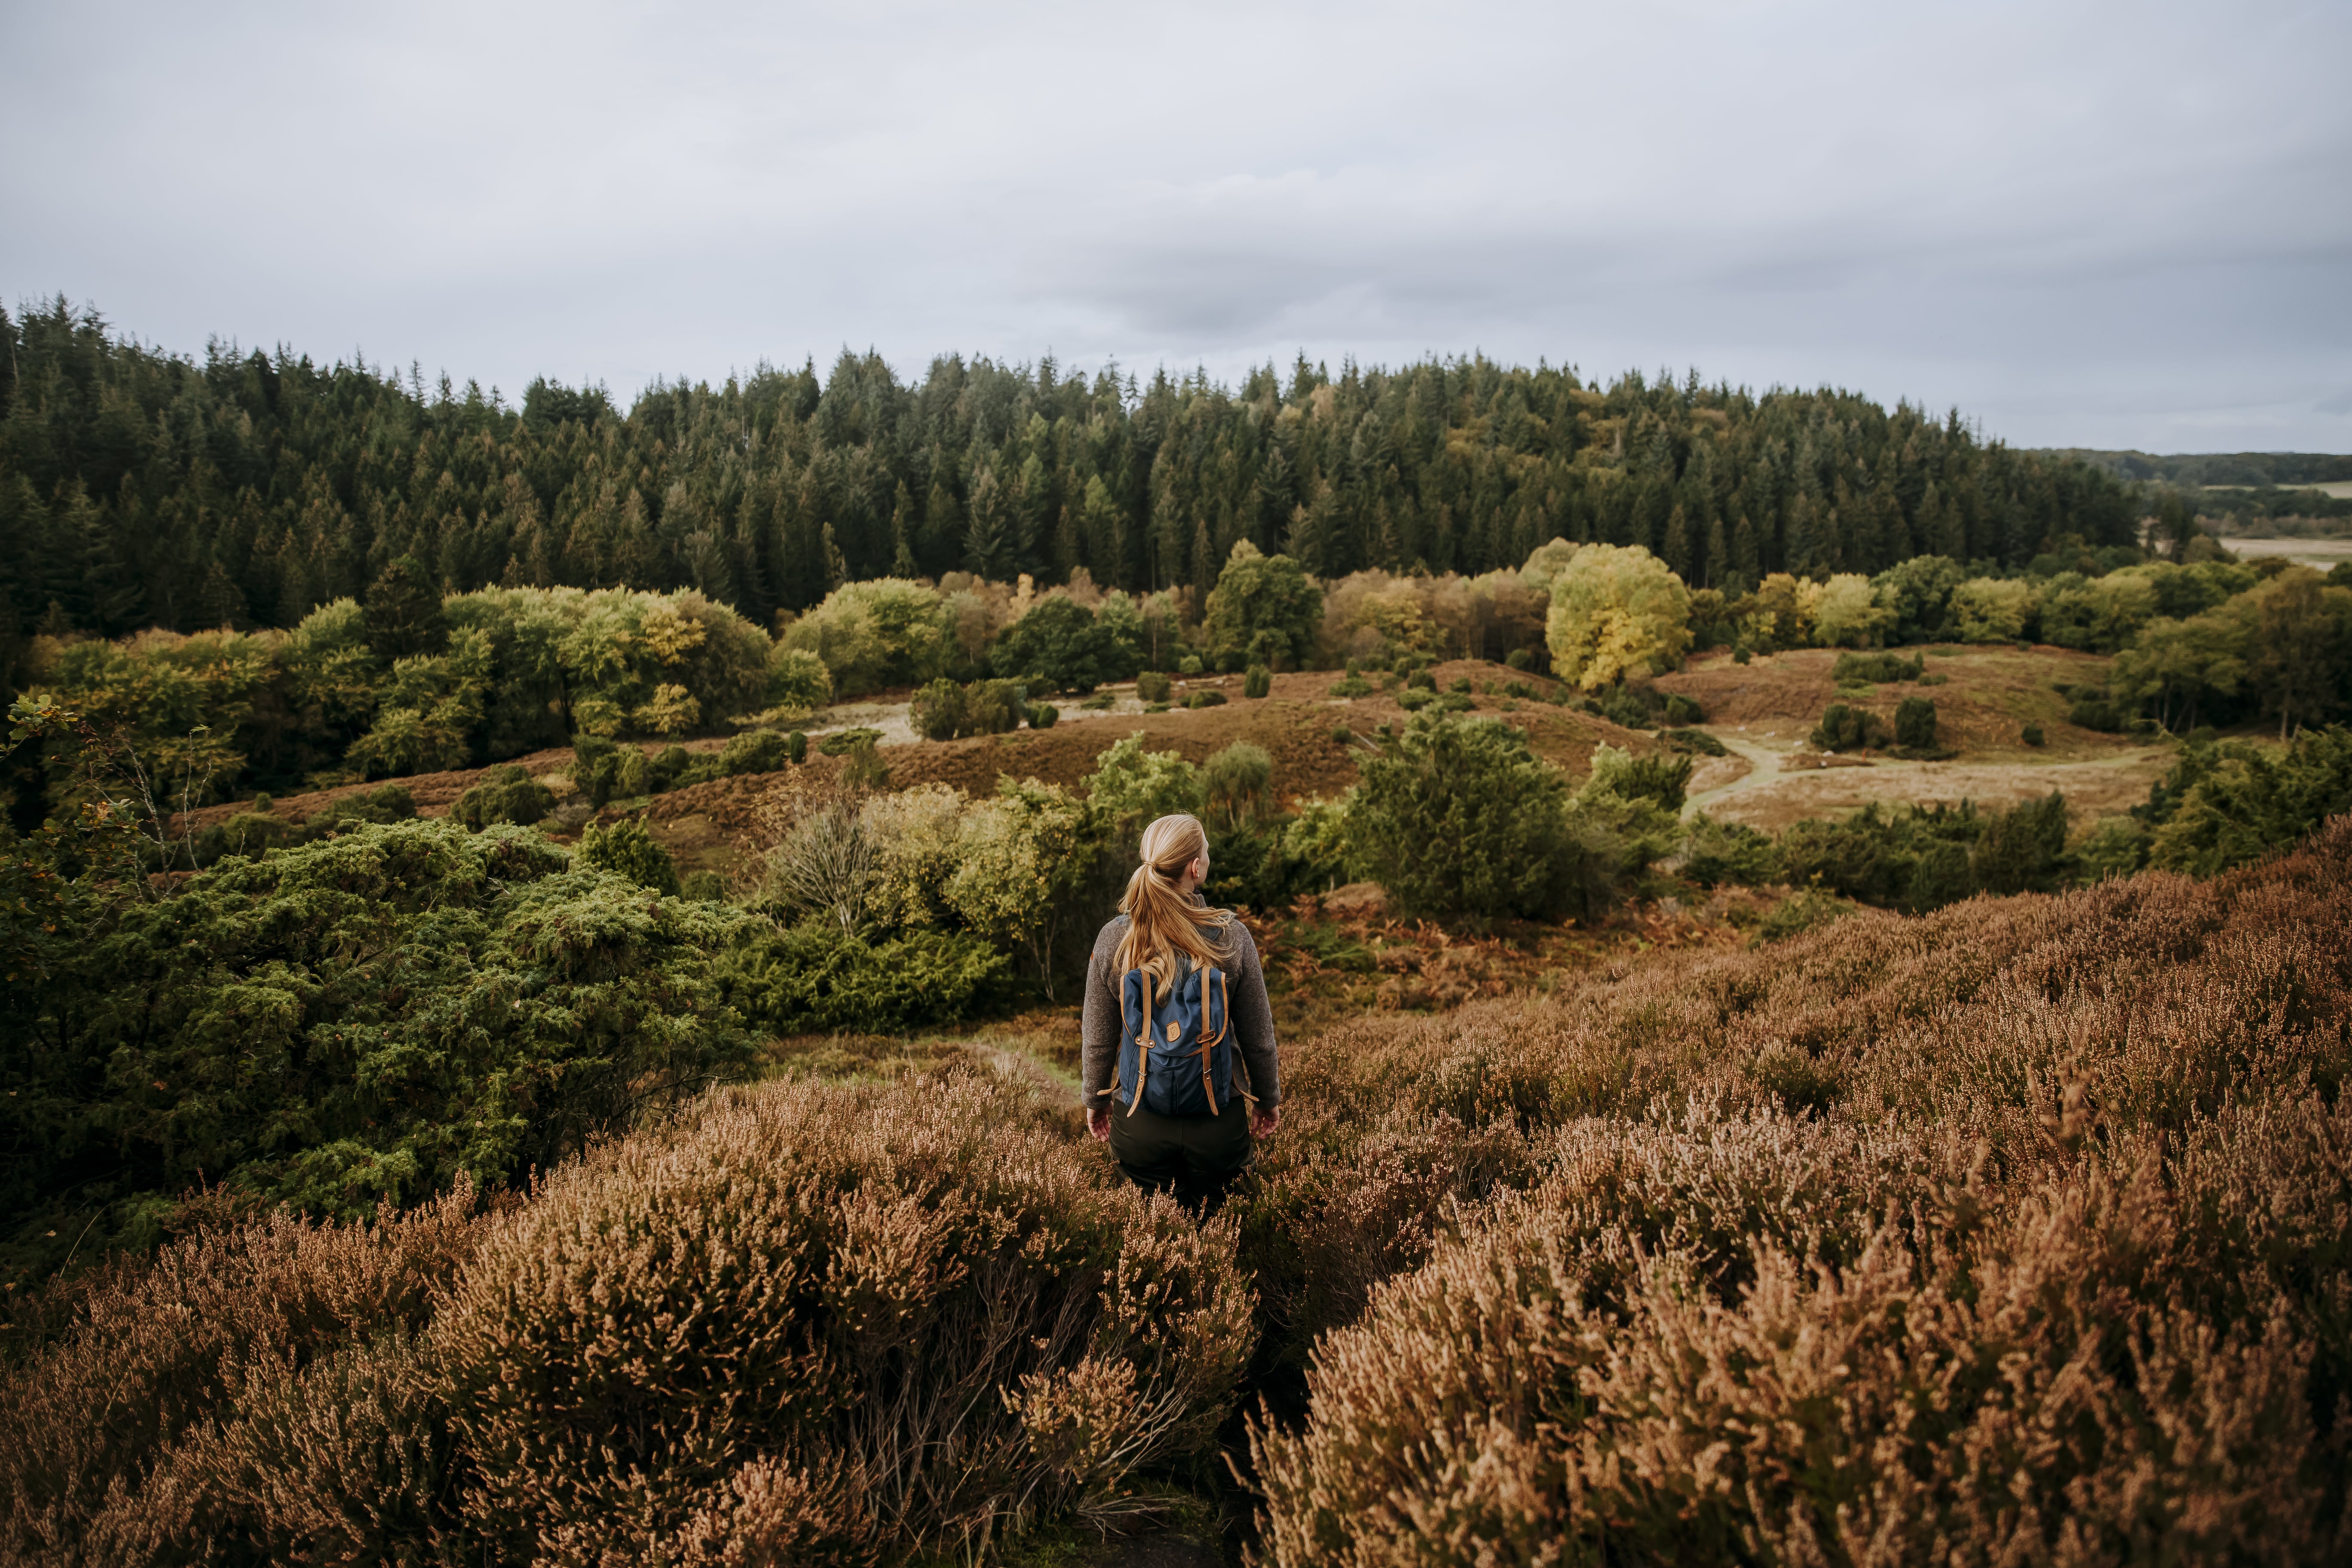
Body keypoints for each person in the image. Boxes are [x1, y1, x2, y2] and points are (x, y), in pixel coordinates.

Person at [1081, 812, 1280, 1215]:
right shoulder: (1231, 935)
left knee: (1150, 1240)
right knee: (1229, 1237)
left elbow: (1099, 1037)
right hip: (1218, 1118)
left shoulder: (1114, 938)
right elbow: (1258, 1037)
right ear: (1196, 867)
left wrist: (1095, 1097)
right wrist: (1266, 1098)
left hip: (1138, 1118)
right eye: (1206, 850)